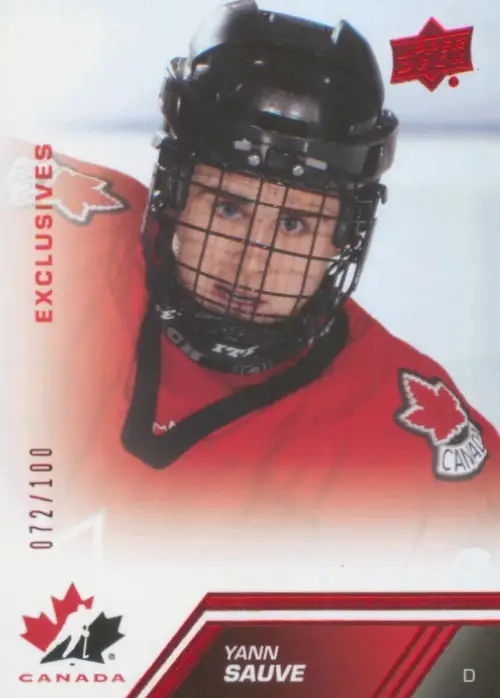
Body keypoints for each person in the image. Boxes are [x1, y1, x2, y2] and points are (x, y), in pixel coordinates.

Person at [4, 0, 499, 575]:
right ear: (175, 193)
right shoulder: (50, 233)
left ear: (344, 236)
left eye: (295, 224)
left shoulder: (405, 431)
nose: (251, 263)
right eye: (229, 207)